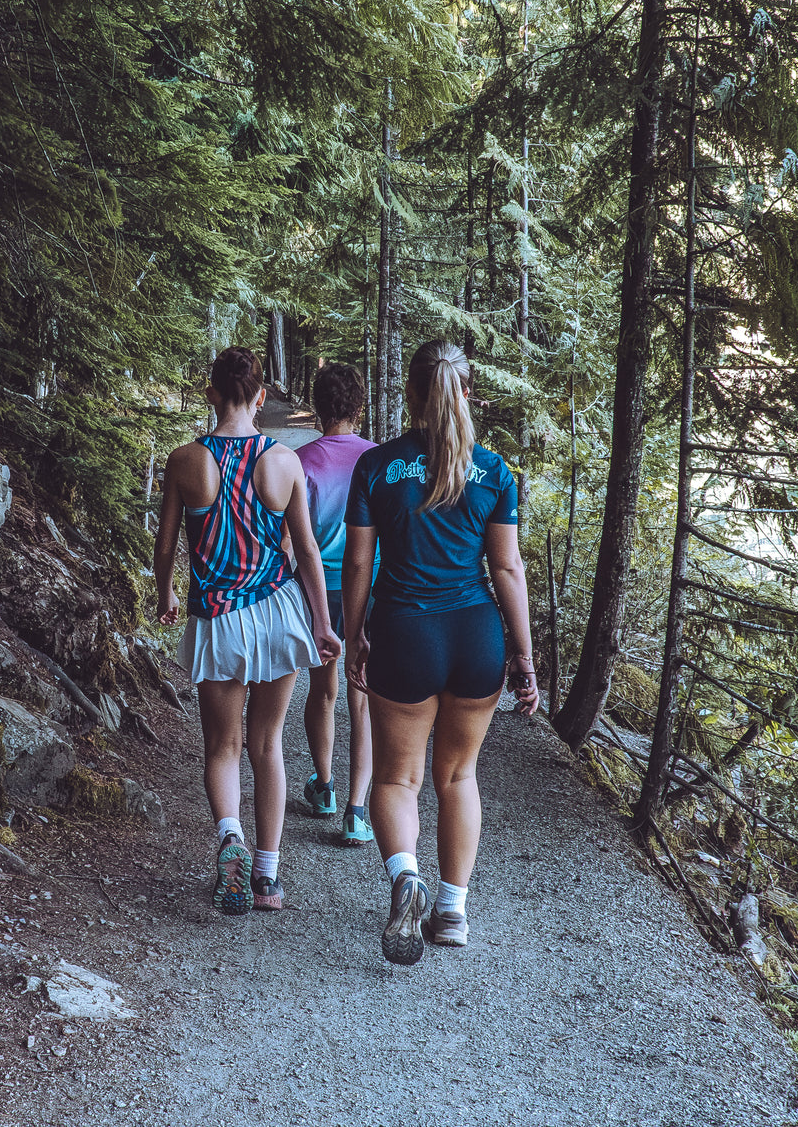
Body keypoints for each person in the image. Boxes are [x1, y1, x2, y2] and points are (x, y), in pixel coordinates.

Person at [342, 339, 539, 965]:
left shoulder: (377, 467)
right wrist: (524, 658)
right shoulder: (495, 471)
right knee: (459, 777)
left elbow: (359, 564)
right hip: (476, 636)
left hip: (405, 634)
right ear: (467, 392)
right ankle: (452, 910)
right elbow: (506, 570)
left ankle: (407, 877)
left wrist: (355, 636)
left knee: (396, 778)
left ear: (412, 393)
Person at [154, 347, 341, 915]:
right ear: (261, 397)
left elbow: (166, 545)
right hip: (278, 612)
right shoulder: (283, 462)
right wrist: (323, 623)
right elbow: (306, 551)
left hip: (219, 619)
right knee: (267, 744)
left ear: (212, 394)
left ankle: (230, 835)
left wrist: (165, 595)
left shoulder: (186, 460)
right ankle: (266, 877)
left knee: (222, 745)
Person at [294, 364, 377, 845]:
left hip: (319, 589)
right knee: (361, 695)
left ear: (319, 406)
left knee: (323, 689)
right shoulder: (379, 459)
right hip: (370, 587)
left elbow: (292, 541)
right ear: (358, 407)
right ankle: (356, 811)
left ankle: (324, 787)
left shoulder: (301, 461)